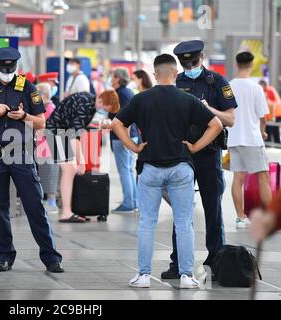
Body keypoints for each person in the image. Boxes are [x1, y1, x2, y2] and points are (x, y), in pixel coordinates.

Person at [111, 53, 223, 289]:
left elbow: (116, 124)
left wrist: (134, 147)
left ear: (154, 74)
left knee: (147, 223)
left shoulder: (141, 99)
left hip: (150, 167)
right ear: (175, 74)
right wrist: (195, 147)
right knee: (184, 223)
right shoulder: (187, 99)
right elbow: (216, 125)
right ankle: (185, 276)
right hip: (181, 167)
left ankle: (143, 275)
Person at [0, 47, 64, 273]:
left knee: (34, 206)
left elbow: (41, 122)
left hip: (22, 153)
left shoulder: (28, 88)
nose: (7, 71)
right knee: (0, 208)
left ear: (16, 67)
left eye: (11, 68)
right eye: (3, 68)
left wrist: (24, 116)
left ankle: (51, 257)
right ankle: (4, 256)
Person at [161, 40, 238, 280]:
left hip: (208, 154)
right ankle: (178, 262)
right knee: (181, 212)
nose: (190, 67)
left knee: (213, 209)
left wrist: (208, 109)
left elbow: (230, 119)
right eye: (186, 64)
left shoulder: (217, 83)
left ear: (202, 58)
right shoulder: (177, 82)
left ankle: (216, 262)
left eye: (193, 62)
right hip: (183, 154)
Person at [229, 52, 271, 229]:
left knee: (238, 178)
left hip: (234, 139)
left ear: (237, 64)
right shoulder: (256, 88)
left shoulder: (228, 86)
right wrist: (262, 132)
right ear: (252, 64)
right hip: (252, 139)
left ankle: (240, 217)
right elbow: (263, 116)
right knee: (264, 177)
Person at [46, 91, 97, 223]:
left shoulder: (89, 100)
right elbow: (74, 134)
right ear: (102, 102)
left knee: (70, 170)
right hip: (57, 131)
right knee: (69, 170)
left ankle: (70, 210)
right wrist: (82, 161)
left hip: (60, 131)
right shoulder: (86, 106)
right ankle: (66, 212)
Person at [104, 68, 138, 213]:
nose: (111, 79)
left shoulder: (121, 94)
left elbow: (127, 119)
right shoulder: (128, 92)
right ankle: (133, 201)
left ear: (118, 78)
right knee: (129, 170)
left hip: (122, 136)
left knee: (124, 170)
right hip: (129, 135)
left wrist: (126, 139)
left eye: (113, 76)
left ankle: (128, 203)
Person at [35, 82, 59, 213]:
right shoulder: (45, 107)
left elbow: (41, 126)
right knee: (45, 173)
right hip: (43, 146)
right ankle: (47, 200)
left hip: (47, 146)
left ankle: (51, 202)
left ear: (43, 95)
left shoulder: (49, 108)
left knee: (50, 173)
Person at [259, 79, 281, 144]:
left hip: (276, 113)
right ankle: (275, 144)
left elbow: (273, 104)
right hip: (275, 113)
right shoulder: (267, 90)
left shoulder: (269, 90)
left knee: (271, 130)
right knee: (275, 131)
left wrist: (272, 117)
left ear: (264, 85)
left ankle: (270, 145)